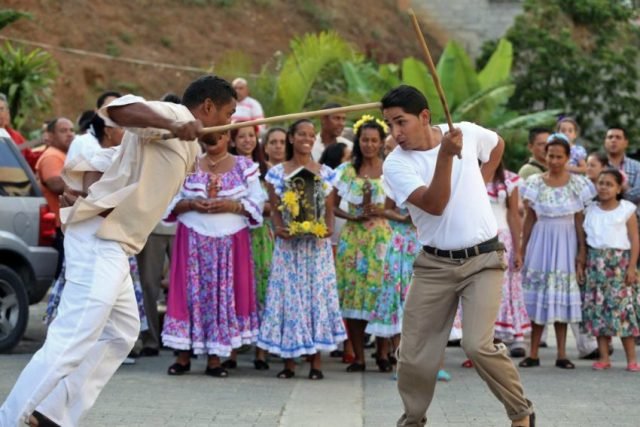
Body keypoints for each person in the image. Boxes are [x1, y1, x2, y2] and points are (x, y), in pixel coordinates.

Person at [0, 75, 236, 427]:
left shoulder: (185, 145)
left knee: (122, 332)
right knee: (73, 337)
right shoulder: (171, 115)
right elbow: (117, 109)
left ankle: (51, 412)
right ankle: (9, 418)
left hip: (116, 244)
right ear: (207, 107)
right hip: (100, 241)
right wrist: (175, 122)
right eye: (229, 115)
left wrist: (82, 191)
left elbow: (118, 162)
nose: (231, 124)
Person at [381, 85, 534, 427]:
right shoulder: (395, 165)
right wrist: (447, 156)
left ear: (424, 116)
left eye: (401, 122)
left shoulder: (464, 132)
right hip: (433, 265)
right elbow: (435, 205)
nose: (395, 133)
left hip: (483, 259)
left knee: (477, 345)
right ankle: (413, 420)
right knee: (413, 357)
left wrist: (481, 177)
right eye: (390, 124)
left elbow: (497, 144)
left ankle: (521, 414)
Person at [162, 129, 264, 377]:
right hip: (193, 238)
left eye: (220, 134)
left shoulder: (244, 166)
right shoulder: (189, 165)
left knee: (222, 294)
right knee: (190, 293)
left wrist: (232, 205)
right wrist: (191, 203)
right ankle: (183, 355)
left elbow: (257, 199)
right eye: (209, 135)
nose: (214, 139)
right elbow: (169, 199)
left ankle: (216, 358)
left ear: (228, 137)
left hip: (230, 241)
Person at [257, 119, 346, 380]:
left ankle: (316, 362)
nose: (306, 139)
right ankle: (289, 363)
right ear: (291, 138)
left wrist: (328, 230)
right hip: (288, 247)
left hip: (316, 248)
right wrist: (279, 228)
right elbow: (274, 209)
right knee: (290, 299)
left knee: (315, 297)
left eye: (311, 135)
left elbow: (329, 210)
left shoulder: (326, 173)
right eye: (301, 134)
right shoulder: (278, 173)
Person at [519, 134, 596, 370]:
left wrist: (582, 251)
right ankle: (533, 353)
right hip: (540, 241)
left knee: (561, 296)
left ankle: (562, 354)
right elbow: (529, 219)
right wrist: (522, 250)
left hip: (566, 241)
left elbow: (580, 220)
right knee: (538, 296)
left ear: (567, 157)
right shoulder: (534, 183)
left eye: (558, 156)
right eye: (550, 155)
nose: (553, 160)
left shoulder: (578, 184)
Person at [334, 115, 392, 373]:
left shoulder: (391, 170)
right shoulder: (347, 170)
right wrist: (352, 215)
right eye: (364, 140)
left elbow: (401, 203)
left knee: (380, 295)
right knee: (352, 295)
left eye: (374, 140)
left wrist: (382, 210)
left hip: (381, 237)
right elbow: (332, 205)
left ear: (381, 143)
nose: (369, 145)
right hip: (354, 237)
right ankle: (358, 356)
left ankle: (383, 352)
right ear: (358, 142)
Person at [579, 168, 640, 371]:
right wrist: (582, 263)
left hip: (619, 266)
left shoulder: (627, 209)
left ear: (618, 188)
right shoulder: (590, 210)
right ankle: (604, 357)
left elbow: (634, 240)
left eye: (609, 184)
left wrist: (632, 267)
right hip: (596, 265)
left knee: (622, 312)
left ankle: (631, 359)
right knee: (599, 312)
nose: (604, 188)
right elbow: (584, 242)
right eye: (601, 183)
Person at [228, 123, 273, 370]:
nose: (247, 141)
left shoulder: (265, 170)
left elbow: (272, 206)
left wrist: (250, 206)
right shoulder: (228, 169)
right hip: (237, 235)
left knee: (262, 290)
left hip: (262, 237)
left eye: (251, 136)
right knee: (236, 290)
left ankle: (261, 353)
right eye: (241, 137)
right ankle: (232, 351)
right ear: (232, 141)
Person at [487, 163, 530, 357]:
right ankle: (486, 338)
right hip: (477, 237)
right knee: (481, 287)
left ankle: (513, 335)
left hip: (502, 238)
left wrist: (518, 249)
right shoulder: (470, 173)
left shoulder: (509, 179)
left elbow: (513, 215)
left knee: (505, 287)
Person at [35, 117, 75, 279]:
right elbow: (56, 184)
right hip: (57, 227)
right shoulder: (52, 156)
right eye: (63, 131)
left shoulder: (62, 155)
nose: (70, 134)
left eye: (72, 130)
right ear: (50, 136)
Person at [603, 126, 640, 212]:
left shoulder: (637, 166)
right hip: (603, 218)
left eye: (618, 137)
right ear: (605, 142)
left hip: (631, 219)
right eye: (610, 137)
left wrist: (623, 187)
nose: (613, 140)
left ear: (626, 143)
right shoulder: (597, 165)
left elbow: (638, 196)